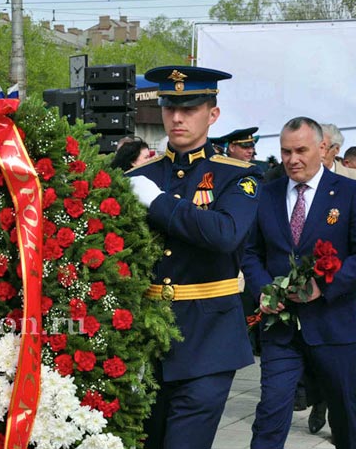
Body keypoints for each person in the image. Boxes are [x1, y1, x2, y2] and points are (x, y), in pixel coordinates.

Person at [127, 66, 262, 449]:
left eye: (190, 108)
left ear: (212, 114)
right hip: (149, 337)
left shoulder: (238, 176)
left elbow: (225, 234)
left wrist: (158, 203)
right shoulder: (146, 173)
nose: (178, 117)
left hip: (209, 338)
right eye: (170, 108)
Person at [243, 117, 356, 449]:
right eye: (286, 151)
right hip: (282, 329)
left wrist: (324, 286)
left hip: (334, 325)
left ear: (322, 148)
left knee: (344, 413)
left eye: (301, 150)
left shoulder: (352, 193)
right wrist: (264, 288)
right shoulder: (267, 192)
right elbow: (250, 253)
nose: (293, 159)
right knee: (270, 412)